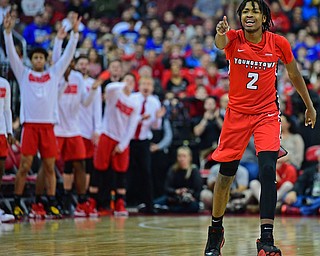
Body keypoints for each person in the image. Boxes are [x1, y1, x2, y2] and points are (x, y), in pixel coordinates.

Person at [204, 1, 317, 256]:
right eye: (245, 11)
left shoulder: (278, 43)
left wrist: (309, 105)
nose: (249, 15)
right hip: (236, 116)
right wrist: (221, 33)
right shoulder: (233, 38)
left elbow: (295, 74)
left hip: (267, 114)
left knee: (268, 169)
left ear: (264, 17)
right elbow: (219, 43)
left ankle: (266, 239)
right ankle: (215, 232)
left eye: (255, 10)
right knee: (225, 176)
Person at [3, 12, 80, 219]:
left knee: (49, 166)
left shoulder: (54, 74)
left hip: (48, 127)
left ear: (45, 60)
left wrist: (74, 35)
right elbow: (11, 55)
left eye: (41, 58)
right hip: (30, 127)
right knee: (25, 166)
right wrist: (8, 33)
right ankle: (18, 202)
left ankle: (49, 202)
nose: (38, 60)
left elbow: (67, 56)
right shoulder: (24, 74)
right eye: (35, 57)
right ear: (31, 59)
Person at [92, 73, 140, 216]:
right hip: (107, 134)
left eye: (132, 81)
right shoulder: (115, 93)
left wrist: (123, 144)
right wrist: (122, 84)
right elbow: (108, 87)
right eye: (127, 79)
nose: (129, 83)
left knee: (121, 171)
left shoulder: (135, 102)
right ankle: (94, 201)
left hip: (122, 140)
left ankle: (120, 203)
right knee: (99, 168)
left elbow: (132, 126)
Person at [127, 76, 165, 213]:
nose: (146, 86)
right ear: (139, 85)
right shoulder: (132, 99)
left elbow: (156, 127)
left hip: (144, 140)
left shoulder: (155, 102)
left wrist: (158, 118)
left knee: (146, 172)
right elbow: (125, 119)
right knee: (127, 171)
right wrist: (139, 118)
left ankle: (149, 205)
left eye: (149, 84)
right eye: (144, 83)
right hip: (129, 139)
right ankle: (124, 202)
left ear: (153, 88)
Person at [153, 146, 203, 213]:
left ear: (190, 158)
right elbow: (167, 187)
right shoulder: (173, 169)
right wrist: (177, 191)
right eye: (179, 156)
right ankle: (168, 209)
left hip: (188, 199)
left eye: (184, 156)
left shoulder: (194, 170)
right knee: (153, 204)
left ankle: (168, 209)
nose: (181, 159)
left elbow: (198, 189)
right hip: (173, 198)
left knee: (194, 206)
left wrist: (189, 193)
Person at [0, 76, 15, 223]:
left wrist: (9, 131)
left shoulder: (4, 83)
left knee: (0, 172)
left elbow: (7, 109)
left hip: (1, 134)